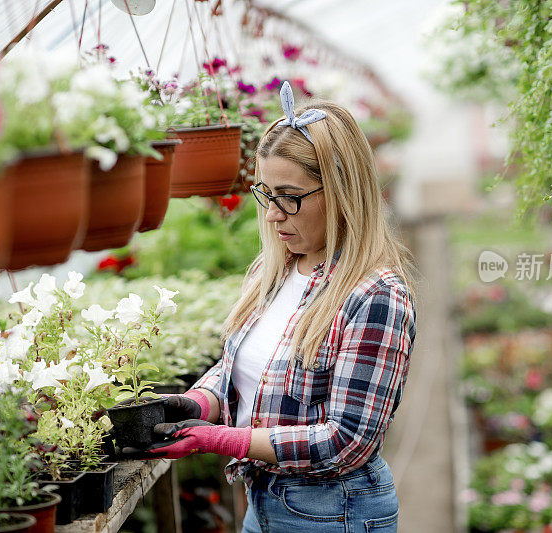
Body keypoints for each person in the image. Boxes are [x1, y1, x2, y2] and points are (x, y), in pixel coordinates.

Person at [124, 81, 416, 532]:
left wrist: (223, 439)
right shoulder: (276, 269)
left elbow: (347, 440)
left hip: (332, 512)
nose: (273, 214)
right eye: (265, 193)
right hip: (265, 502)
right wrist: (199, 403)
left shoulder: (375, 294)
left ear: (341, 191)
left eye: (289, 196)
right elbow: (246, 365)